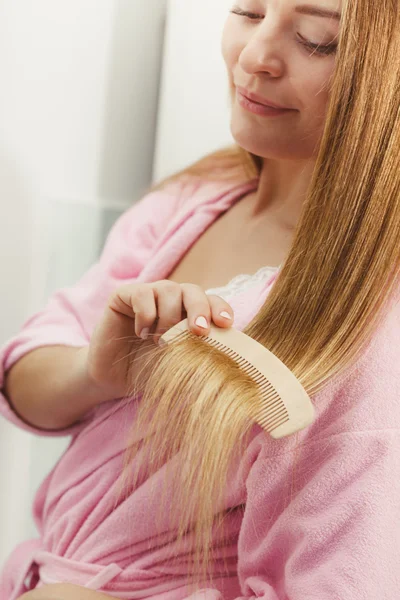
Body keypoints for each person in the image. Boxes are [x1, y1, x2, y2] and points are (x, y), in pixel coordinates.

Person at [1, 0, 400, 598]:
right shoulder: (193, 198)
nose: (255, 56)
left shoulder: (369, 322)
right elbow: (22, 375)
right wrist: (96, 373)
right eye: (248, 11)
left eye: (317, 40)